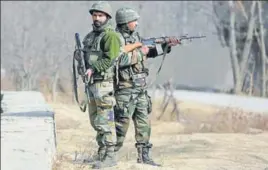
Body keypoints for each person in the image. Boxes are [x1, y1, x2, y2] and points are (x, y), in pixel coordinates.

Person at [113, 7, 180, 166]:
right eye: (133, 21)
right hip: (125, 89)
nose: (136, 23)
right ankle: (108, 155)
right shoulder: (115, 39)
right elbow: (118, 60)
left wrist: (166, 46)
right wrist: (141, 52)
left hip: (140, 90)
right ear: (125, 22)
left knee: (143, 124)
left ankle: (144, 157)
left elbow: (148, 52)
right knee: (120, 125)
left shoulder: (136, 37)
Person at [75, 1, 121, 169]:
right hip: (92, 84)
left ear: (107, 17)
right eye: (94, 15)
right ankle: (101, 153)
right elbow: (86, 57)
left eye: (100, 15)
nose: (97, 18)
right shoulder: (90, 36)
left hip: (104, 84)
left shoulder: (111, 36)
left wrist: (93, 69)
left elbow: (110, 59)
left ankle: (110, 156)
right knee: (95, 120)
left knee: (105, 120)